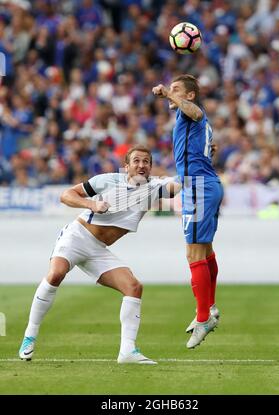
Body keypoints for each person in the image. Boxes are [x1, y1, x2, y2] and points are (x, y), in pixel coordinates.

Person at [19, 145, 180, 364]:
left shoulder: (154, 187)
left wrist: (202, 158)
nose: (141, 165)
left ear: (151, 167)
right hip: (77, 236)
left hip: (98, 250)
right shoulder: (107, 180)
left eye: (146, 162)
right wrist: (91, 204)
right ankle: (30, 335)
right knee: (56, 274)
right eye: (136, 161)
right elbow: (66, 195)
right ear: (126, 167)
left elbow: (177, 185)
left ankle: (127, 352)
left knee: (133, 287)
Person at [152, 75, 224, 349]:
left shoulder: (193, 112)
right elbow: (208, 147)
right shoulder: (193, 123)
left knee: (193, 253)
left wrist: (168, 96)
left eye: (177, 89)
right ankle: (210, 308)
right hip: (205, 185)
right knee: (204, 251)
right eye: (171, 89)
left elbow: (195, 110)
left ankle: (204, 317)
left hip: (199, 188)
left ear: (190, 95)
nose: (171, 93)